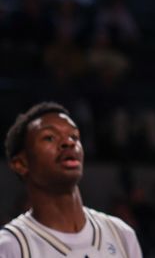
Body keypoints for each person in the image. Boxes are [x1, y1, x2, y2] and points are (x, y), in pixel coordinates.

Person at [1, 101, 143, 258]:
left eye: (74, 136)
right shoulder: (11, 246)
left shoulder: (121, 234)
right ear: (21, 163)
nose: (68, 142)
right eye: (49, 138)